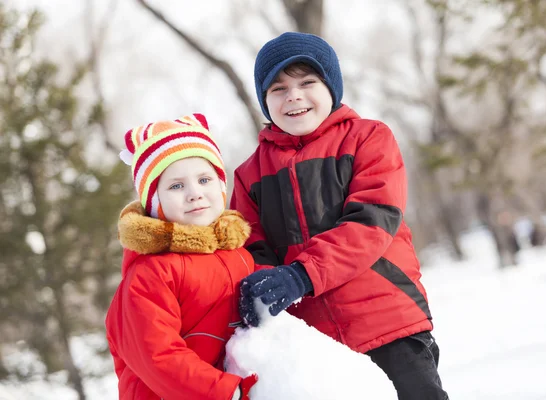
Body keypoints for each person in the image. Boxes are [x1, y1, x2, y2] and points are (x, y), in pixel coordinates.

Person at [231, 32, 448, 399]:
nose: (294, 96)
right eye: (278, 88)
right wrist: (263, 286)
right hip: (317, 344)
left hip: (389, 322)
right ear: (265, 101)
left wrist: (301, 275)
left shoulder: (368, 139)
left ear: (332, 87)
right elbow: (252, 248)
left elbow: (371, 221)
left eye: (307, 82)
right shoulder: (249, 174)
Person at [105, 113, 258, 400]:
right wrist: (226, 391)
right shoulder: (151, 273)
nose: (194, 194)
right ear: (155, 203)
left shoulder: (239, 255)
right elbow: (158, 355)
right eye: (176, 186)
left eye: (204, 179)